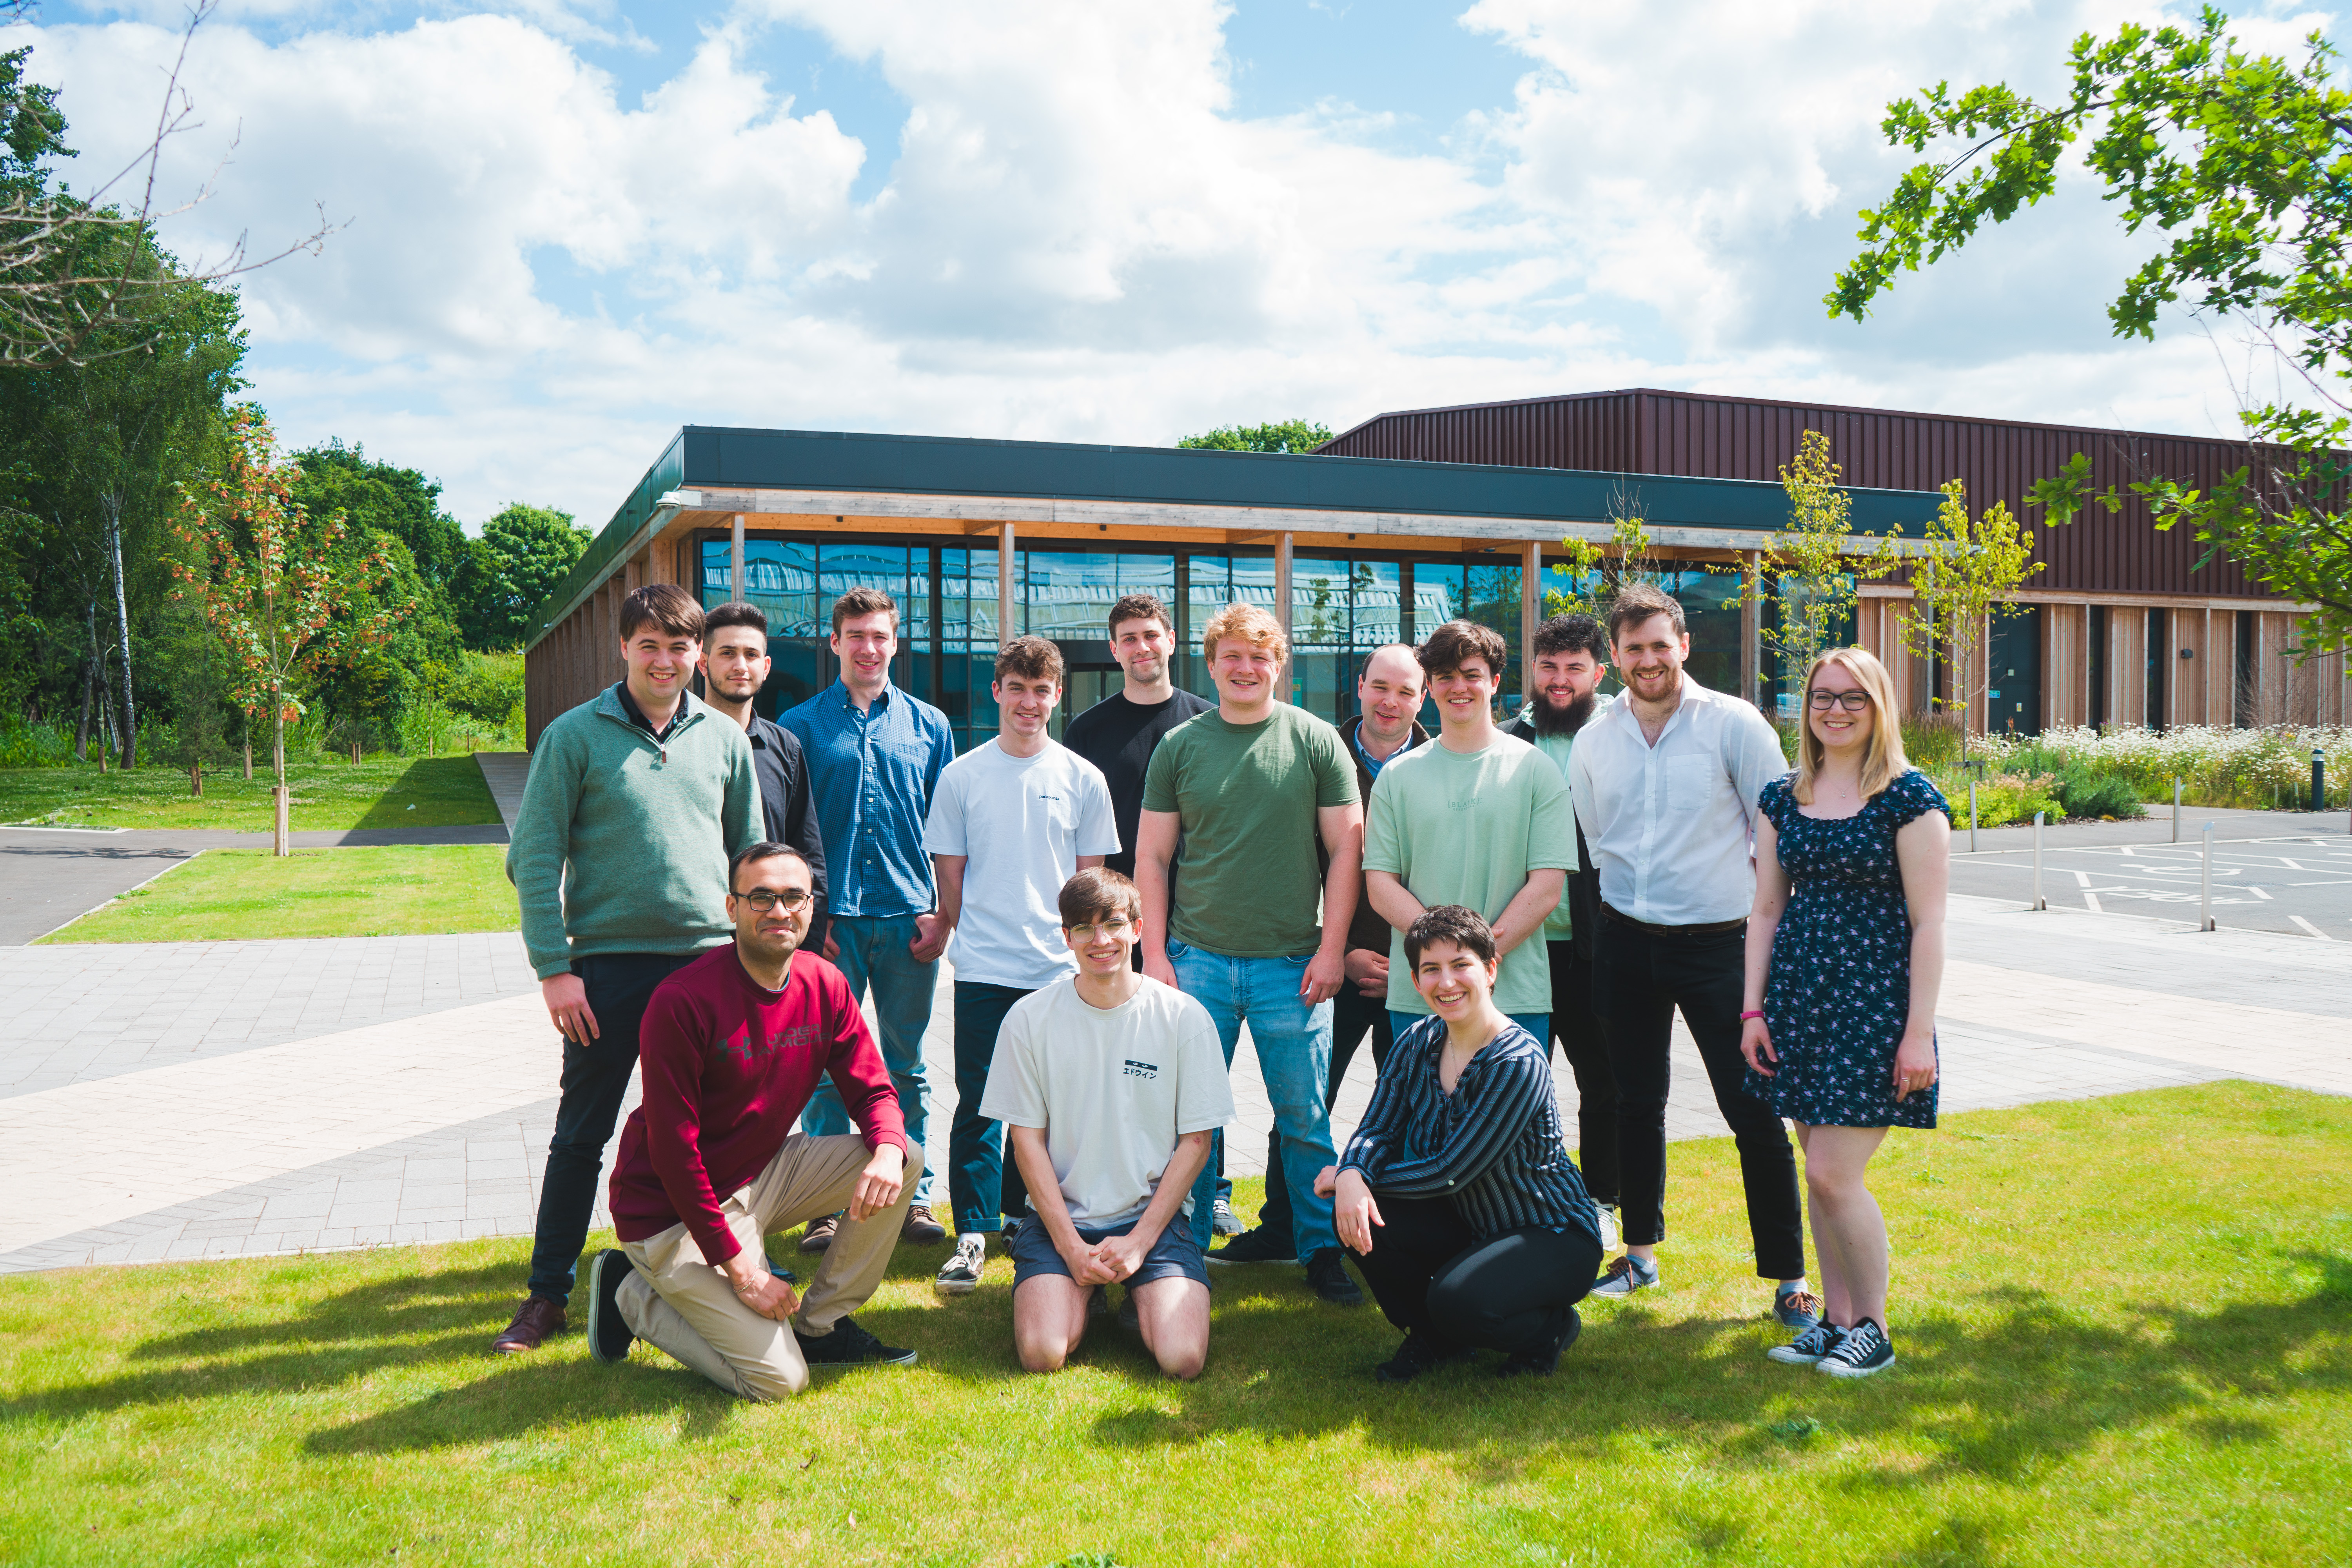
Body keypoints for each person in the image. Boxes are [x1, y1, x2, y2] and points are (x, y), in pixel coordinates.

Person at [494, 583, 759, 1354]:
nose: (666, 660)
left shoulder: (723, 738)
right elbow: (534, 859)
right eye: (650, 645)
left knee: (712, 1137)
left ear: (698, 655)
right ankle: (546, 1295)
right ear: (624, 648)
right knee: (582, 1135)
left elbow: (752, 859)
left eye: (680, 647)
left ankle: (705, 1280)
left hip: (709, 967)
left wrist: (753, 965)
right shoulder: (574, 736)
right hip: (604, 973)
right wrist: (555, 967)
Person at [584, 843, 922, 1397]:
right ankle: (632, 1295)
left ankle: (820, 1327)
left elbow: (875, 1089)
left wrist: (886, 1148)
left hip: (758, 1175)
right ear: (732, 908)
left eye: (793, 897)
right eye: (761, 897)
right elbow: (674, 1153)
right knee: (778, 1382)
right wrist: (743, 1271)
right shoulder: (683, 1001)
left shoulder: (824, 983)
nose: (780, 912)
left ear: (812, 908)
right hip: (671, 1211)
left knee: (904, 1156)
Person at [1569, 581, 1815, 1328]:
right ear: (1613, 657)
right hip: (1626, 942)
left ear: (1684, 645)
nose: (1648, 660)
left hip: (1723, 947)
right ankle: (1639, 1255)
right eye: (1633, 648)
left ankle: (1788, 1279)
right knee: (1635, 1105)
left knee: (1754, 1112)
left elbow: (1775, 837)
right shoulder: (1594, 738)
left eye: (1659, 645)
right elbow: (1594, 838)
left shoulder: (1734, 726)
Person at [1134, 600, 1365, 1305]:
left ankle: (1319, 1248)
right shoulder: (1181, 746)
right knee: (1192, 1119)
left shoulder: (1316, 741)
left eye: (1258, 655)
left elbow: (1346, 852)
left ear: (1279, 664)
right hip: (1196, 960)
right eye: (1231, 656)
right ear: (1211, 664)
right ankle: (1185, 1248)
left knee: (1305, 1121)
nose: (1245, 668)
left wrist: (1332, 951)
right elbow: (1152, 855)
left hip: (1293, 967)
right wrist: (1155, 957)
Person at [1741, 647, 1948, 1377]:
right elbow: (1766, 909)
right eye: (1823, 697)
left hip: (1875, 1007)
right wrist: (1752, 1011)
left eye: (1853, 698)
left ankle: (1877, 1330)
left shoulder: (1908, 798)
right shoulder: (1782, 796)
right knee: (1813, 1166)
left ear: (1880, 707)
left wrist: (1918, 1032)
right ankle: (1837, 1320)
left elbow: (1930, 924)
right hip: (1798, 1001)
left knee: (1833, 1172)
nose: (1835, 710)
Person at [1320, 905, 1604, 1381]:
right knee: (1356, 1210)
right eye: (1431, 969)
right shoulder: (1416, 1041)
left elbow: (1451, 1169)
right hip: (1471, 1219)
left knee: (1457, 1300)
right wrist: (1352, 1174)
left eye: (1461, 965)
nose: (1446, 982)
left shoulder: (1517, 1060)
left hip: (1551, 1233)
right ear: (1415, 981)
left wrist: (1356, 1178)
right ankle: (1435, 1337)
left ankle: (1549, 1329)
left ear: (1491, 969)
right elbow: (1377, 1128)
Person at [1216, 643, 1428, 1265]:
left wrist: (1415, 960)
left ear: (1424, 698)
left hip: (1417, 973)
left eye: (1407, 691)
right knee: (1303, 1106)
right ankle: (1287, 1226)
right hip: (1331, 962)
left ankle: (1396, 1234)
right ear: (1359, 686)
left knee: (1413, 1109)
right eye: (1380, 686)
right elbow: (1296, 861)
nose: (1391, 702)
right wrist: (1341, 950)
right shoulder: (1315, 750)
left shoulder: (1441, 762)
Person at [924, 636, 1121, 1297]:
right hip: (984, 966)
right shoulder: (963, 777)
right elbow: (950, 877)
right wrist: (975, 924)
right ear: (997, 691)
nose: (1028, 702)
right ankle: (972, 1235)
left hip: (1057, 971)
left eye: (1042, 691)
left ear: (1057, 696)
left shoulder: (1081, 778)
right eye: (1017, 688)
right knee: (980, 1105)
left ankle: (1021, 1216)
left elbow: (1090, 885)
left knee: (1052, 1105)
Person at [981, 867, 1230, 1379]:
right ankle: (1085, 1291)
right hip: (1063, 1221)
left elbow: (1198, 1143)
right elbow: (1025, 1141)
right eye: (1083, 928)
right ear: (1066, 937)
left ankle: (1137, 1297)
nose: (1100, 941)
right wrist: (1072, 1248)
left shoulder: (1184, 1018)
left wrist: (1139, 1242)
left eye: (1113, 924)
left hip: (1153, 1221)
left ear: (1138, 929)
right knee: (1043, 1353)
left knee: (1182, 1359)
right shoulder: (1029, 1020)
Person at [780, 586, 956, 1251]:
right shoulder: (800, 726)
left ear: (895, 642)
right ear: (835, 644)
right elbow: (791, 830)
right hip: (832, 928)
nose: (869, 647)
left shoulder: (929, 726)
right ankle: (824, 1204)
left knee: (906, 1066)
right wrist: (807, 918)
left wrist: (945, 914)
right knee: (823, 1066)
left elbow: (947, 831)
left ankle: (913, 1195)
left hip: (909, 922)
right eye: (856, 635)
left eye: (880, 636)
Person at [1061, 593, 1229, 1237]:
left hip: (1192, 923)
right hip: (1110, 928)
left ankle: (1204, 1192)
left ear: (1171, 640)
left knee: (1191, 1066)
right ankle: (1124, 1181)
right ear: (1114, 649)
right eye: (1128, 638)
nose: (1141, 648)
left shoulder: (1205, 720)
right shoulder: (1088, 731)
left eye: (1150, 636)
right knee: (1120, 1064)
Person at [1363, 619, 1576, 1048]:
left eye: (1472, 675)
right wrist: (1445, 966)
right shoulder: (1397, 776)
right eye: (1445, 676)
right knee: (1424, 1118)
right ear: (1431, 686)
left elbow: (1547, 888)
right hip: (1420, 998)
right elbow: (1381, 885)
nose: (1459, 687)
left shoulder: (1537, 771)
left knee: (1510, 1117)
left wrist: (1474, 962)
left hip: (1514, 998)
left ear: (1495, 682)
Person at [1501, 612, 1622, 1251]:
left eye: (1574, 668)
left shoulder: (1621, 737)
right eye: (1549, 666)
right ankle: (1523, 1196)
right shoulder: (1506, 740)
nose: (1559, 680)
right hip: (1519, 946)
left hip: (1596, 948)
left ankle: (1602, 1200)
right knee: (1517, 1082)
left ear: (1598, 674)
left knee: (1603, 1082)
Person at [698, 601, 828, 933]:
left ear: (766, 666)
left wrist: (808, 945)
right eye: (727, 653)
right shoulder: (676, 745)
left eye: (751, 655)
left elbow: (807, 851)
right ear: (702, 663)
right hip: (693, 936)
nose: (740, 665)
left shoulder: (786, 747)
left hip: (769, 932)